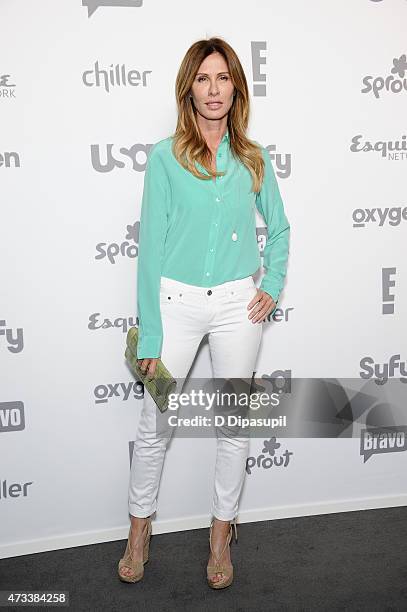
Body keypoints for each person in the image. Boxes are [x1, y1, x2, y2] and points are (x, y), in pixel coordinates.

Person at [118, 36, 290, 589]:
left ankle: (221, 535)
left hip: (239, 307)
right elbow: (150, 251)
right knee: (155, 424)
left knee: (234, 423)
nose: (213, 89)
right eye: (202, 78)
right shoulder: (165, 157)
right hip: (175, 305)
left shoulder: (253, 158)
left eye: (223, 78)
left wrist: (274, 282)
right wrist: (148, 334)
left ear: (236, 85)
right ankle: (139, 531)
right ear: (188, 87)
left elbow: (280, 229)